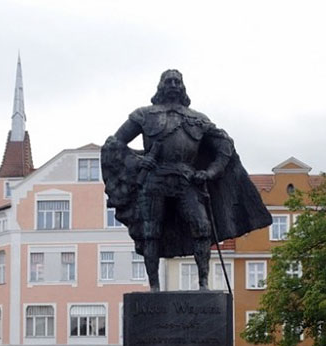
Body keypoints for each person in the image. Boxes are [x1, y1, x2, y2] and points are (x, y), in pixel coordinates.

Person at [101, 69, 270, 291]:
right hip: (155, 180)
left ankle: (203, 285)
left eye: (177, 81)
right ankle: (154, 287)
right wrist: (137, 161)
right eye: (168, 81)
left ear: (182, 87)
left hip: (187, 180)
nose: (173, 84)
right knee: (150, 232)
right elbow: (114, 143)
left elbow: (225, 146)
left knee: (202, 227)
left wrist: (210, 173)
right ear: (161, 86)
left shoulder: (198, 119)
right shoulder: (144, 114)